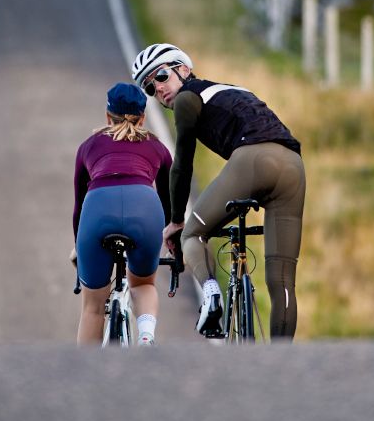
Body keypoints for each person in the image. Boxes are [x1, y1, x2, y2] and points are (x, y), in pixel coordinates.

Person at [131, 43, 306, 340]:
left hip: (252, 160)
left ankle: (212, 294)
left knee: (192, 235)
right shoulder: (233, 90)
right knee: (282, 281)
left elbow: (182, 163)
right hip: (293, 167)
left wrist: (175, 220)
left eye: (161, 76)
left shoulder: (188, 98)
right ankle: (282, 363)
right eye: (149, 88)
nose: (158, 89)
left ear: (183, 69)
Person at [72, 82, 174, 345]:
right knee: (142, 284)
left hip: (97, 211)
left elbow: (79, 205)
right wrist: (173, 242)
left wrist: (78, 247)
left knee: (92, 306)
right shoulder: (158, 147)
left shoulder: (88, 146)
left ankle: (86, 376)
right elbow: (169, 202)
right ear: (143, 118)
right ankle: (146, 335)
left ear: (108, 116)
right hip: (145, 210)